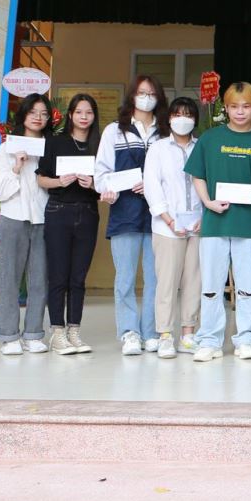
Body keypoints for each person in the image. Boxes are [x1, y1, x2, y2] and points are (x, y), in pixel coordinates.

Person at [185, 82, 251, 363]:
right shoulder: (210, 138)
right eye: (234, 106)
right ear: (226, 108)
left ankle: (246, 339)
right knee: (211, 286)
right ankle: (209, 340)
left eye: (246, 106)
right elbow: (197, 175)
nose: (240, 112)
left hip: (249, 223)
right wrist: (208, 202)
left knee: (247, 287)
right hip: (215, 223)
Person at [96, 75, 167, 357]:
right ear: (132, 96)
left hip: (159, 216)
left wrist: (153, 186)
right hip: (124, 213)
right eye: (141, 93)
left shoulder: (165, 132)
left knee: (155, 278)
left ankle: (151, 332)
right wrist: (108, 189)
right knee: (124, 278)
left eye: (151, 93)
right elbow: (102, 173)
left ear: (159, 98)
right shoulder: (115, 131)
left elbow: (174, 175)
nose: (146, 98)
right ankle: (129, 332)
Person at [37, 93, 102, 355]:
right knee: (58, 275)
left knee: (78, 277)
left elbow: (108, 185)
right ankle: (57, 333)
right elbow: (41, 179)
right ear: (71, 115)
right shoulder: (55, 142)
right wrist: (59, 181)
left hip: (88, 212)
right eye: (79, 112)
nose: (84, 117)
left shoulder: (99, 146)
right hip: (58, 211)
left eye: (89, 112)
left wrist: (94, 184)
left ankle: (74, 331)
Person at [0, 93, 51, 355]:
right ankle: (9, 335)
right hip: (13, 218)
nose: (38, 117)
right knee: (8, 278)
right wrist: (16, 167)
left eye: (44, 114)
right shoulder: (7, 148)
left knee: (39, 279)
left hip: (43, 218)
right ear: (23, 114)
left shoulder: (51, 147)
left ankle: (34, 333)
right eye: (33, 112)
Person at [144, 96, 203, 358]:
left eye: (188, 115)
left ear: (195, 120)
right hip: (167, 226)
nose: (183, 119)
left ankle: (188, 334)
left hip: (198, 224)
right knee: (166, 282)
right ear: (169, 118)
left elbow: (209, 183)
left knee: (194, 281)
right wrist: (168, 219)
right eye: (178, 114)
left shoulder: (201, 147)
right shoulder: (158, 149)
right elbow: (151, 185)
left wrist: (205, 216)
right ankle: (165, 335)